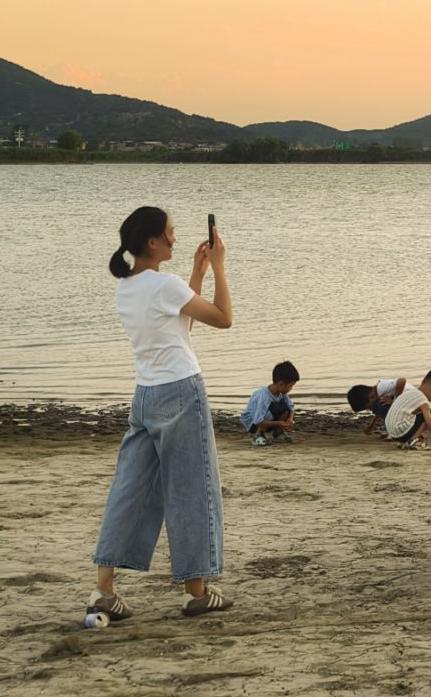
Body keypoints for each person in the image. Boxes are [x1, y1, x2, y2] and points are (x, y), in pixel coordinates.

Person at [87, 207, 234, 622]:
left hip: (146, 395)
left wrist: (197, 273)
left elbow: (178, 325)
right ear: (152, 241)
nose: (175, 238)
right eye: (170, 233)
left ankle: (103, 589)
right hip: (182, 391)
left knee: (129, 489)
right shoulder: (165, 286)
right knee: (192, 489)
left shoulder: (127, 287)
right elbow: (223, 319)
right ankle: (196, 592)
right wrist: (220, 267)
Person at [383, 369, 431, 449]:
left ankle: (406, 441)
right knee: (429, 414)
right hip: (400, 432)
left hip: (392, 432)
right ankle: (412, 441)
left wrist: (420, 432)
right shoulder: (423, 401)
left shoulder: (409, 392)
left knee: (419, 416)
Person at [241, 360, 299, 445]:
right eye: (290, 386)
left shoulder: (282, 393)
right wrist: (279, 423)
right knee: (274, 408)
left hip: (266, 421)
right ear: (281, 384)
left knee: (286, 408)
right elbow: (258, 420)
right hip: (253, 423)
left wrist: (290, 418)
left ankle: (278, 433)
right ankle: (258, 435)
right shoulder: (264, 396)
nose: (291, 389)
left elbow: (291, 407)